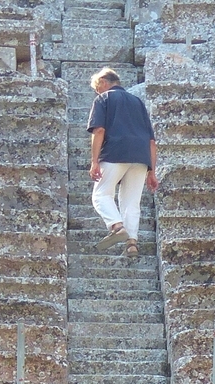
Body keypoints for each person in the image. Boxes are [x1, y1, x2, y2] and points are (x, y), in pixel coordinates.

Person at [86, 67, 158, 258]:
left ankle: (117, 227)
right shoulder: (137, 102)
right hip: (141, 156)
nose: (97, 93)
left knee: (101, 194)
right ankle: (132, 243)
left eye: (97, 88)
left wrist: (94, 161)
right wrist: (152, 172)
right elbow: (152, 141)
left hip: (114, 152)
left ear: (103, 83)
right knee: (131, 202)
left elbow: (99, 130)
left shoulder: (103, 99)